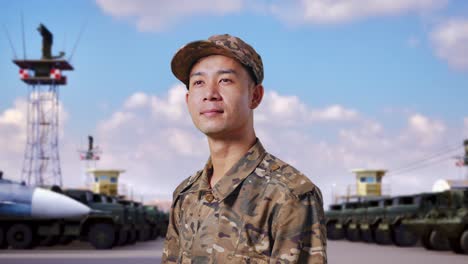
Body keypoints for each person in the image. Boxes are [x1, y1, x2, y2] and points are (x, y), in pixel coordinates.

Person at [163, 34, 327, 263]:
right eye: (199, 82)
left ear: (255, 96)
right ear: (188, 100)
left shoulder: (289, 196)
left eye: (225, 80)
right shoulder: (186, 196)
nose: (210, 94)